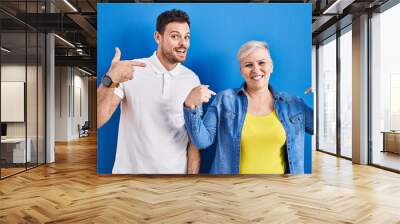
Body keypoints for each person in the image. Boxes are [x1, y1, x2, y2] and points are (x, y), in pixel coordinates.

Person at [183, 40, 313, 174]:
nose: (256, 70)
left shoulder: (292, 104)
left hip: (278, 191)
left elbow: (322, 129)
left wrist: (324, 90)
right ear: (241, 71)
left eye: (261, 62)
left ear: (271, 66)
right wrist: (190, 105)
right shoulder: (224, 100)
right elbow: (201, 142)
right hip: (232, 190)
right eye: (248, 65)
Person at [97, 9, 200, 174]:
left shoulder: (192, 79)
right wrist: (110, 78)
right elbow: (98, 119)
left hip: (174, 181)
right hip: (129, 180)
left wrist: (191, 179)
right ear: (157, 37)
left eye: (187, 37)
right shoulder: (132, 70)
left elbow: (194, 140)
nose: (183, 43)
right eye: (175, 36)